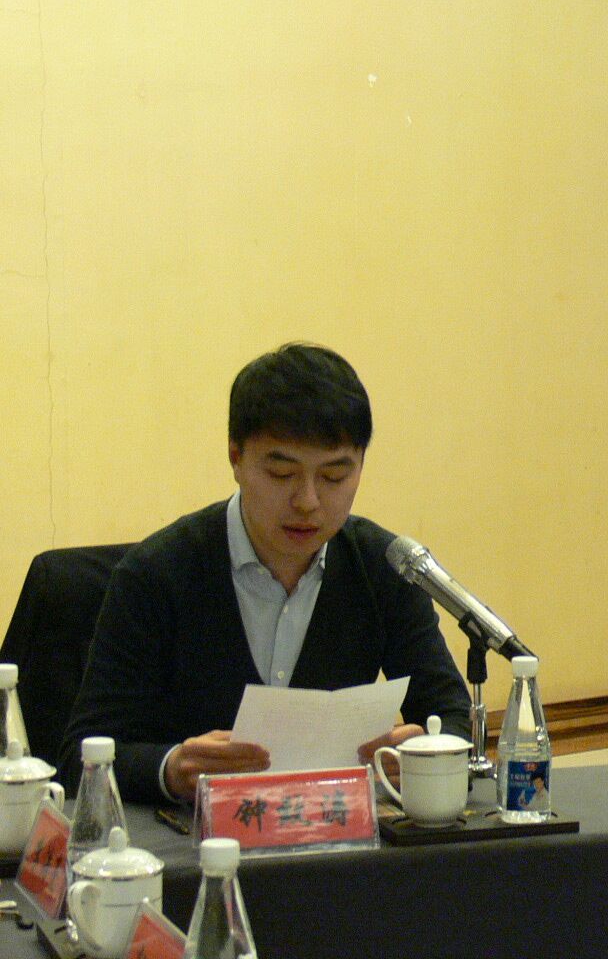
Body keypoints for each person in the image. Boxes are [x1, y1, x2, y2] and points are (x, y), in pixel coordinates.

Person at [59, 344, 471, 803]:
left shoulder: (385, 568)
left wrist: (422, 751)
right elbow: (80, 758)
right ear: (236, 458)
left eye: (334, 477)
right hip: (190, 839)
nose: (307, 501)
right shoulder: (155, 574)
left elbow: (453, 717)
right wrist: (170, 769)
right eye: (281, 473)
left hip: (335, 836)